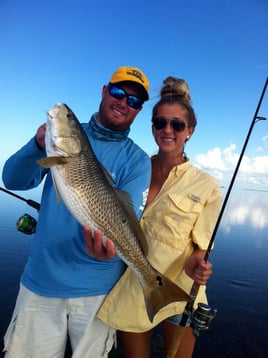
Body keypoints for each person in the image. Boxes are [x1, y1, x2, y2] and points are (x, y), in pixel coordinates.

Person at [2, 66, 151, 358]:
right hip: (41, 283)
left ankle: (152, 286)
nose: (124, 103)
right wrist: (37, 144)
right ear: (104, 91)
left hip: (98, 292)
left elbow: (127, 216)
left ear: (139, 110)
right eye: (119, 92)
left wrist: (116, 251)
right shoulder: (58, 142)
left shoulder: (138, 161)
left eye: (134, 101)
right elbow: (12, 180)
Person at [87, 76, 222, 357]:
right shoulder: (136, 170)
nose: (168, 130)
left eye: (177, 124)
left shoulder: (206, 185)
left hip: (178, 292)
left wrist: (199, 263)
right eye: (160, 122)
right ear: (153, 128)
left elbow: (202, 247)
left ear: (190, 131)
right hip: (133, 287)